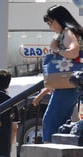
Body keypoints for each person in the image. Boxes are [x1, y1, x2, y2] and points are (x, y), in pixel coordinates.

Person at [32, 5, 83, 143]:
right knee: (61, 120)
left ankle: (50, 151)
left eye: (50, 22)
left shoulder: (67, 32)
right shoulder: (73, 31)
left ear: (57, 19)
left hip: (69, 84)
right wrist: (42, 94)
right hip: (74, 83)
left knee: (51, 120)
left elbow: (73, 52)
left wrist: (56, 50)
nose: (50, 26)